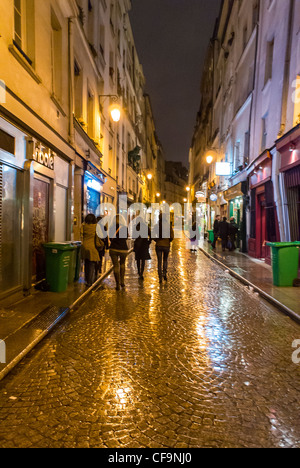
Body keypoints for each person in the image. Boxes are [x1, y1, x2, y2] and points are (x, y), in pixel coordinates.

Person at [80, 213, 103, 287]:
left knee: (86, 264)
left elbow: (81, 236)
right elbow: (98, 237)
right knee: (91, 265)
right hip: (92, 247)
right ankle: (89, 282)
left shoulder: (83, 226)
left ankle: (86, 280)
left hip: (84, 247)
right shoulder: (96, 226)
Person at [109, 215, 129, 291]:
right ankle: (122, 282)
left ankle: (117, 284)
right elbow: (126, 237)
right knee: (122, 264)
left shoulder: (112, 228)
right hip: (123, 249)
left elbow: (110, 238)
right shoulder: (124, 228)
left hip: (113, 248)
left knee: (116, 266)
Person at [154, 213, 174, 283]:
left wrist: (157, 240)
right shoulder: (169, 225)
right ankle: (164, 273)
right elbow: (172, 236)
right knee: (165, 260)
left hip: (159, 245)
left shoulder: (157, 225)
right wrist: (168, 240)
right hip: (166, 245)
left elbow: (153, 236)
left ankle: (160, 277)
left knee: (159, 262)